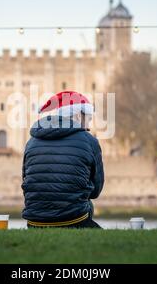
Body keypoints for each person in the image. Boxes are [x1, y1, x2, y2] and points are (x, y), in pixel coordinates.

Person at [22, 91, 104, 228]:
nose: (89, 126)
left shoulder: (31, 142)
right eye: (88, 119)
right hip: (72, 220)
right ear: (78, 115)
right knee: (88, 204)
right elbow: (96, 191)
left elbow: (26, 180)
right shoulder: (90, 141)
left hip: (34, 221)